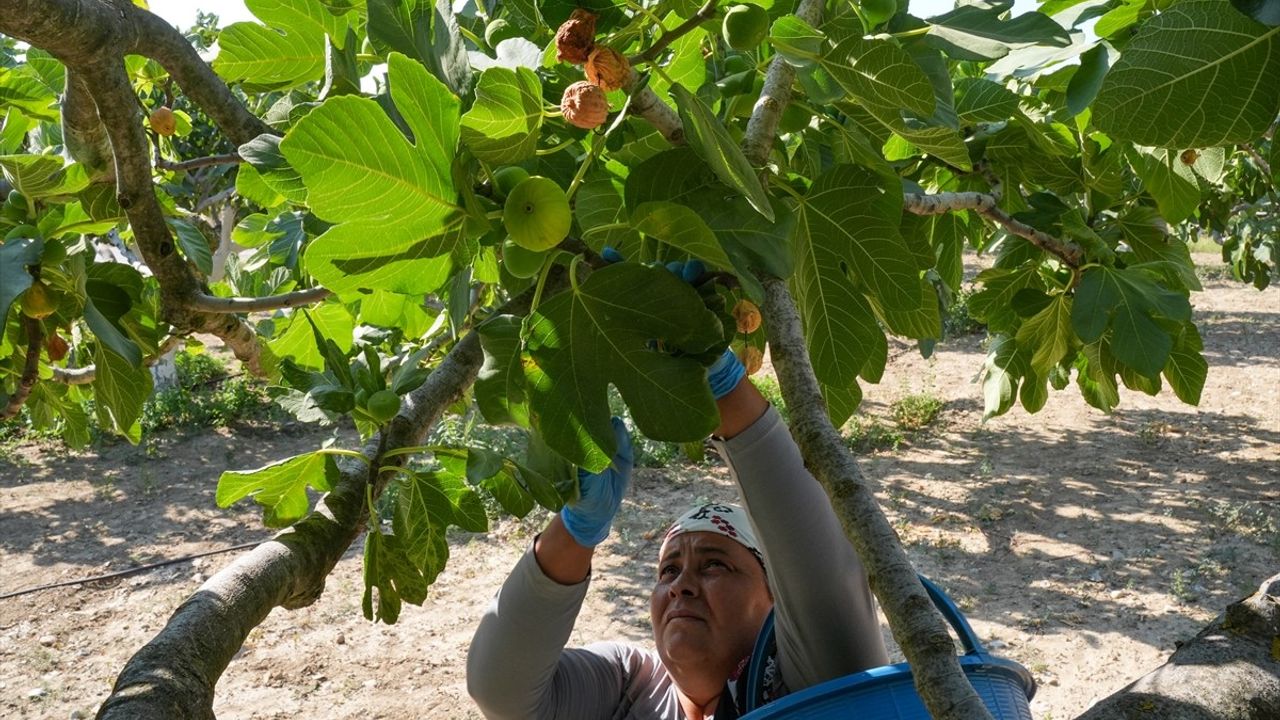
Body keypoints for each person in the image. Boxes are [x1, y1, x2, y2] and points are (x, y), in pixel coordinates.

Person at [467, 348, 889, 719]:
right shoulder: (632, 684)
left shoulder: (811, 672)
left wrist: (722, 384)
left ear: (777, 596)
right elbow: (502, 693)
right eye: (668, 570)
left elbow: (819, 568)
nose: (680, 586)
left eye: (715, 565)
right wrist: (577, 530)